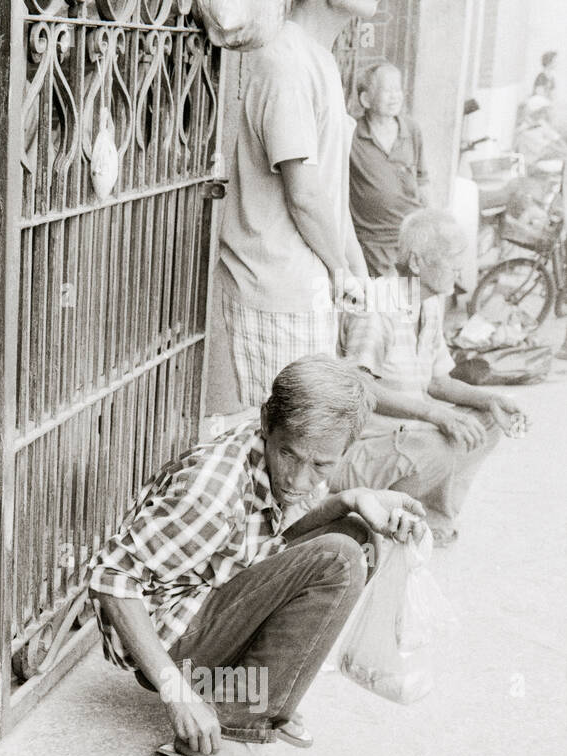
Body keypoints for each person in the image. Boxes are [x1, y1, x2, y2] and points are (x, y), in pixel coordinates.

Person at [88, 354, 428, 756]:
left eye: (320, 464)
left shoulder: (277, 455)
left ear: (347, 450)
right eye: (289, 455)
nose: (299, 477)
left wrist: (347, 500)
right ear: (268, 420)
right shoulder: (214, 490)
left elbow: (271, 543)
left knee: (353, 531)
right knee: (338, 558)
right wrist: (177, 692)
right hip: (172, 641)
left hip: (207, 603)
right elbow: (110, 579)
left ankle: (254, 697)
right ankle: (233, 725)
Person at [217, 0, 377, 407]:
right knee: (289, 450)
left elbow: (327, 194)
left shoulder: (317, 58)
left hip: (307, 291)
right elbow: (303, 195)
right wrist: (344, 271)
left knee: (310, 445)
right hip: (279, 292)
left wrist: (355, 271)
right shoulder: (287, 63)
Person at [334, 209, 527, 545]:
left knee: (488, 420)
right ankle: (392, 519)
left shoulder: (430, 305)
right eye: (453, 258)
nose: (459, 268)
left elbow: (438, 382)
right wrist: (434, 413)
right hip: (363, 450)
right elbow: (358, 388)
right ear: (418, 262)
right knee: (440, 442)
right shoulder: (377, 306)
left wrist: (494, 400)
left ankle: (433, 518)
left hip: (406, 436)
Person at [349, 63, 429, 277]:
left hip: (411, 237)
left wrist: (430, 224)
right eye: (387, 90)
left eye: (398, 89)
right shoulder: (351, 135)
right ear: (366, 99)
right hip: (373, 241)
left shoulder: (411, 129)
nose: (395, 96)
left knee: (413, 300)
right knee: (388, 302)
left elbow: (422, 179)